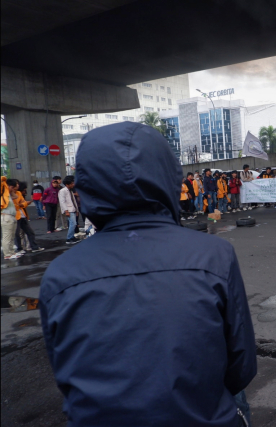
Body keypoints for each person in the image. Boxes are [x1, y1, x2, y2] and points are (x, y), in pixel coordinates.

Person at [39, 122, 256, 427]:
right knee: (237, 398)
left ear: (88, 184)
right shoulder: (213, 255)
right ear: (168, 176)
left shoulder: (60, 273)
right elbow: (241, 368)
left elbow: (66, 372)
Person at [14, 181, 45, 253]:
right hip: (16, 216)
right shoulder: (11, 195)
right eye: (24, 190)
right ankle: (20, 248)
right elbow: (16, 205)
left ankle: (33, 247)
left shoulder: (18, 194)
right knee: (18, 234)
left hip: (22, 216)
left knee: (30, 232)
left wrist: (21, 204)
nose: (25, 191)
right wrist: (21, 204)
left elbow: (23, 203)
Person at [2, 177, 22, 259]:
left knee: (11, 236)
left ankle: (11, 252)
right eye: (13, 187)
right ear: (8, 186)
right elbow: (2, 179)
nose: (14, 188)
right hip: (6, 216)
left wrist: (11, 190)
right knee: (7, 236)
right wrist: (5, 183)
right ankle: (7, 254)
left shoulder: (9, 194)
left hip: (11, 216)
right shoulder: (2, 193)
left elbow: (16, 196)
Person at [58, 176, 81, 245]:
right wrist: (66, 211)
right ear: (67, 184)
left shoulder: (70, 190)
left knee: (73, 224)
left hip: (72, 209)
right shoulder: (62, 191)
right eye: (71, 183)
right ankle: (69, 238)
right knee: (73, 224)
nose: (73, 184)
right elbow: (62, 202)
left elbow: (73, 201)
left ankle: (72, 237)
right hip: (69, 210)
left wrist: (76, 210)